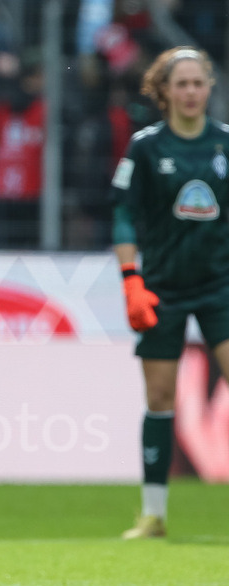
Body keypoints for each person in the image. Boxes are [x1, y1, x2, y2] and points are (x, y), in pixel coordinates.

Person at [110, 47, 229, 539]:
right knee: (160, 396)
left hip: (221, 286)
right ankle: (154, 513)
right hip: (161, 288)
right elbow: (122, 214)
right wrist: (131, 279)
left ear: (209, 87)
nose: (190, 91)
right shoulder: (145, 148)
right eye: (181, 83)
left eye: (197, 82)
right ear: (165, 90)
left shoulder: (225, 145)